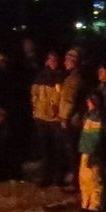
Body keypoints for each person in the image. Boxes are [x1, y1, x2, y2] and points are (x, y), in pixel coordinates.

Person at [76, 64, 106, 212]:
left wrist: (96, 150)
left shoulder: (100, 116)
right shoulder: (88, 115)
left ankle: (96, 204)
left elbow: (100, 136)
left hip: (94, 151)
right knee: (84, 177)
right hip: (86, 150)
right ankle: (86, 202)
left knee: (95, 178)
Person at [28, 49, 66, 184]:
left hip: (55, 119)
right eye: (51, 59)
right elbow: (34, 95)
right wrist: (35, 110)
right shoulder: (40, 77)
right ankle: (45, 177)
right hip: (41, 117)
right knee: (45, 149)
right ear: (46, 61)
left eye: (55, 59)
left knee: (57, 149)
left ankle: (58, 177)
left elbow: (62, 97)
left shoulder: (62, 77)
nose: (53, 62)